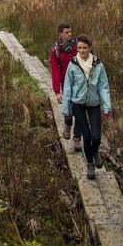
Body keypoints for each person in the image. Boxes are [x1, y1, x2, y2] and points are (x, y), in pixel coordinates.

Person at [61, 35, 112, 180]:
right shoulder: (73, 64)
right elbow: (68, 87)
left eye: (84, 48)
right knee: (87, 136)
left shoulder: (98, 65)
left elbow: (103, 86)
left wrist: (107, 107)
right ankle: (90, 164)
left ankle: (95, 151)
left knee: (96, 137)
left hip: (94, 104)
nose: (82, 51)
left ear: (90, 48)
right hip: (78, 105)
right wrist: (66, 109)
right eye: (79, 48)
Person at [50, 23, 81, 152]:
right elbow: (55, 70)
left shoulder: (78, 46)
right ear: (60, 34)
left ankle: (77, 138)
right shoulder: (56, 49)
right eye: (67, 32)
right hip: (66, 83)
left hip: (80, 82)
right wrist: (57, 91)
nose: (69, 34)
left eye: (70, 32)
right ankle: (68, 124)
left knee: (79, 110)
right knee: (68, 109)